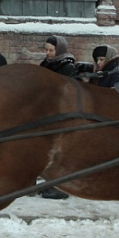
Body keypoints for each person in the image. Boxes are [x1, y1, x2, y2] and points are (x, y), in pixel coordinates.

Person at [37, 35, 76, 200]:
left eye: (51, 50)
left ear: (59, 50)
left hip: (61, 115)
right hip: (46, 113)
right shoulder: (45, 65)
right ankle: (49, 183)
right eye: (46, 50)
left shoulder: (67, 68)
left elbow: (68, 93)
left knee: (60, 153)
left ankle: (61, 188)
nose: (48, 53)